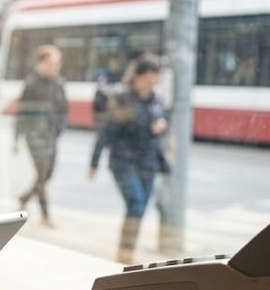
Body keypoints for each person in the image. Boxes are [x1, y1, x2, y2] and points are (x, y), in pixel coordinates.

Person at [88, 55, 169, 264]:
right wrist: (94, 162)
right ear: (137, 77)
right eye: (148, 79)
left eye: (155, 80)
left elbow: (161, 122)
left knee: (141, 208)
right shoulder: (122, 99)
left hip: (148, 162)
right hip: (124, 161)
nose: (151, 84)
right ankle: (125, 251)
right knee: (135, 202)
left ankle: (127, 248)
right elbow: (106, 132)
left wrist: (160, 126)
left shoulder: (157, 100)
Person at [13, 44, 68, 227]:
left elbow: (62, 109)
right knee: (42, 172)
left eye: (57, 63)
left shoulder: (58, 84)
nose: (55, 66)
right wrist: (16, 138)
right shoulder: (31, 84)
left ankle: (24, 197)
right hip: (34, 135)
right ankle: (45, 215)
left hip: (51, 135)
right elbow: (22, 111)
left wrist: (60, 128)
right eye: (52, 62)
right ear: (41, 63)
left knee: (47, 174)